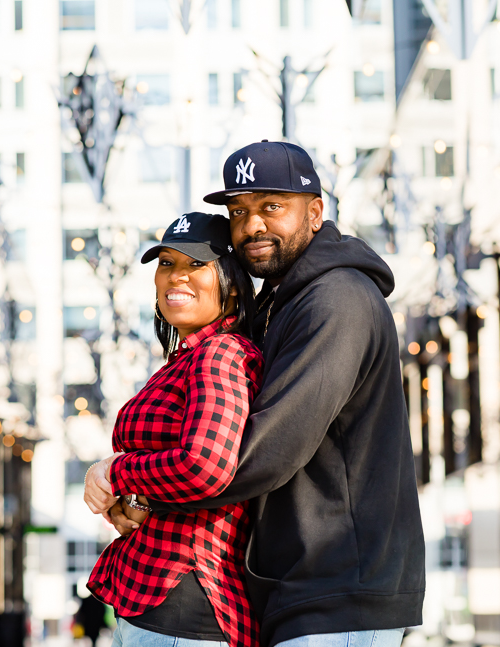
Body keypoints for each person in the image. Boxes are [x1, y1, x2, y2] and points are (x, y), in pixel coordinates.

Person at [95, 141, 426, 647]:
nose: (252, 225)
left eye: (272, 206)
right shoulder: (281, 303)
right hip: (294, 586)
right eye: (238, 211)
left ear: (315, 212)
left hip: (339, 588)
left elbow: (257, 453)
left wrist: (134, 485)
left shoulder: (336, 299)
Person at [83, 212, 264, 647]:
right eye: (166, 263)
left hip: (187, 598)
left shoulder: (221, 354)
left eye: (195, 264)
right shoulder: (187, 358)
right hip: (160, 595)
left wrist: (115, 473)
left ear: (233, 283)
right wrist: (133, 500)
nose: (175, 276)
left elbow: (204, 467)